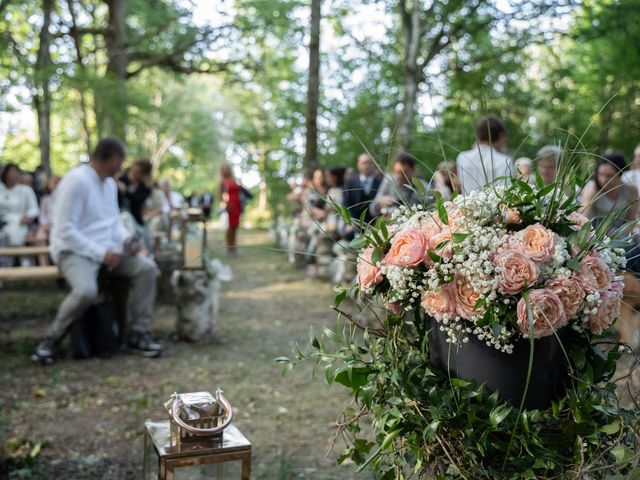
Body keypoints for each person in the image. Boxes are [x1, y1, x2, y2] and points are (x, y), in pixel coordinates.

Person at [32, 138, 163, 364]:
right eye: (121, 163)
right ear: (112, 160)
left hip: (107, 251)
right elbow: (64, 230)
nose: (122, 169)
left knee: (147, 268)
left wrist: (129, 240)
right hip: (73, 251)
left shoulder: (110, 185)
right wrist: (101, 254)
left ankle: (138, 333)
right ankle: (51, 341)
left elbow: (113, 224)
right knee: (86, 291)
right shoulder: (76, 181)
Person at [580, 151, 639, 232]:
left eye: (609, 176)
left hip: (621, 235)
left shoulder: (631, 190)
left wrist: (618, 236)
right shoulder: (592, 188)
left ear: (620, 174)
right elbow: (584, 218)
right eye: (600, 174)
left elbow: (631, 221)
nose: (603, 180)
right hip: (593, 233)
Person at [456, 115, 512, 195]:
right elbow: (507, 194)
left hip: (466, 207)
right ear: (500, 136)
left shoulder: (462, 157)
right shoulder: (504, 161)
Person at [370, 152, 427, 218]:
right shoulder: (388, 182)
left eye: (404, 173)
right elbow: (372, 209)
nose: (399, 176)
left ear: (413, 170)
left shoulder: (423, 187)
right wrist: (380, 203)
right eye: (396, 172)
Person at [0, 163, 39, 247]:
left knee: (16, 236)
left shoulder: (26, 190)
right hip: (2, 223)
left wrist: (28, 217)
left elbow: (34, 209)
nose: (13, 175)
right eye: (11, 172)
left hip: (20, 224)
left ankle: (22, 257)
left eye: (16, 172)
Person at [343, 153, 382, 228]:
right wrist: (350, 221)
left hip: (376, 223)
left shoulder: (380, 182)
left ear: (374, 165)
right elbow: (346, 203)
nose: (367, 166)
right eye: (364, 163)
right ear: (358, 165)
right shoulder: (350, 182)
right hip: (355, 223)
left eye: (369, 163)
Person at [33, 175, 60, 265]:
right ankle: (43, 265)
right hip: (46, 226)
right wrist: (45, 225)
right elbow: (42, 215)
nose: (55, 185)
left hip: (59, 226)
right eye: (53, 182)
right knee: (40, 237)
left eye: (57, 182)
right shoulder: (45, 199)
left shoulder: (63, 199)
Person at [220, 164, 242, 255]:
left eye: (227, 169)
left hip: (237, 205)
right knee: (230, 227)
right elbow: (223, 194)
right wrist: (226, 204)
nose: (226, 171)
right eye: (224, 169)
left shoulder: (233, 180)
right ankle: (230, 248)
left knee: (235, 226)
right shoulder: (222, 181)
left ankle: (234, 246)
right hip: (230, 205)